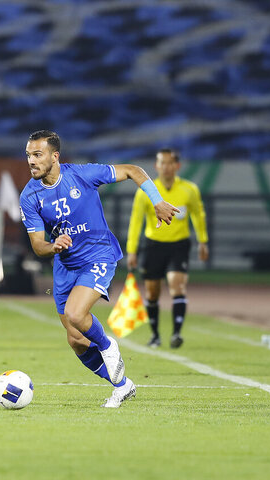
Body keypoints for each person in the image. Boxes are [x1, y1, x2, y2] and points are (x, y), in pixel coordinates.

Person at [19, 130, 179, 408]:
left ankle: (107, 345)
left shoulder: (82, 174)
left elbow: (132, 170)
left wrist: (157, 201)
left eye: (38, 155)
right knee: (76, 339)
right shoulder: (29, 197)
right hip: (65, 266)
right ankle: (122, 385)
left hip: (98, 255)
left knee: (76, 313)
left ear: (55, 156)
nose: (31, 161)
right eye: (29, 156)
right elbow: (37, 245)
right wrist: (53, 246)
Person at [126, 148, 209, 349]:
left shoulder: (189, 189)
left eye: (170, 163)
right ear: (156, 166)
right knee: (152, 293)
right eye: (162, 163)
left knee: (177, 286)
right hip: (153, 246)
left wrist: (203, 241)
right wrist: (132, 250)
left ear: (177, 166)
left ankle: (176, 333)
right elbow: (136, 221)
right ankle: (155, 335)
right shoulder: (146, 190)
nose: (166, 167)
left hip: (178, 245)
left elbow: (199, 215)